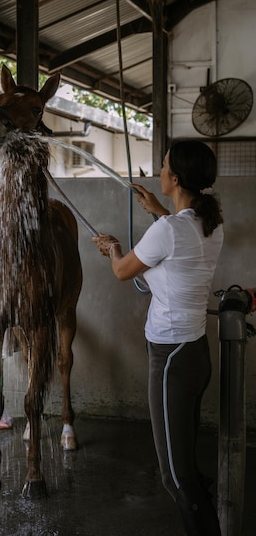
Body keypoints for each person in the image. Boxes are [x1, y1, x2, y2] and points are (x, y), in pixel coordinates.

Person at [93, 140, 223, 536]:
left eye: (163, 166)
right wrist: (159, 210)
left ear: (175, 178)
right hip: (195, 353)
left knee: (174, 475)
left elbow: (121, 271)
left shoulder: (168, 230)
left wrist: (113, 247)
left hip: (170, 360)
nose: (159, 171)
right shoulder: (208, 223)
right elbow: (177, 239)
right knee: (187, 466)